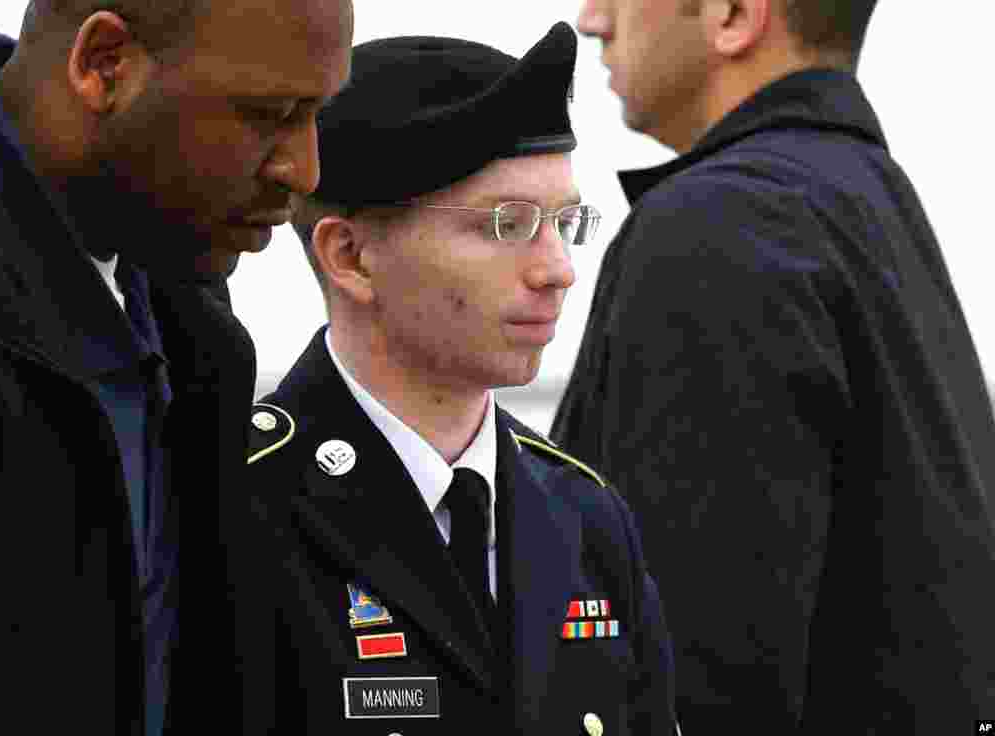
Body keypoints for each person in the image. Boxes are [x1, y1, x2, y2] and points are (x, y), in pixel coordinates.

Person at [551, 0, 995, 732]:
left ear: (732, 15)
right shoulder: (859, 197)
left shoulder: (721, 227)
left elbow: (687, 681)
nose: (592, 18)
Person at [241, 23, 676, 734]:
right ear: (349, 256)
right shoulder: (240, 505)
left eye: (565, 223)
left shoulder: (587, 519)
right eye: (507, 225)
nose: (558, 269)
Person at [0, 0, 351, 733]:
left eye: (316, 115)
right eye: (267, 114)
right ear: (104, 64)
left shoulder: (186, 311)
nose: (304, 170)